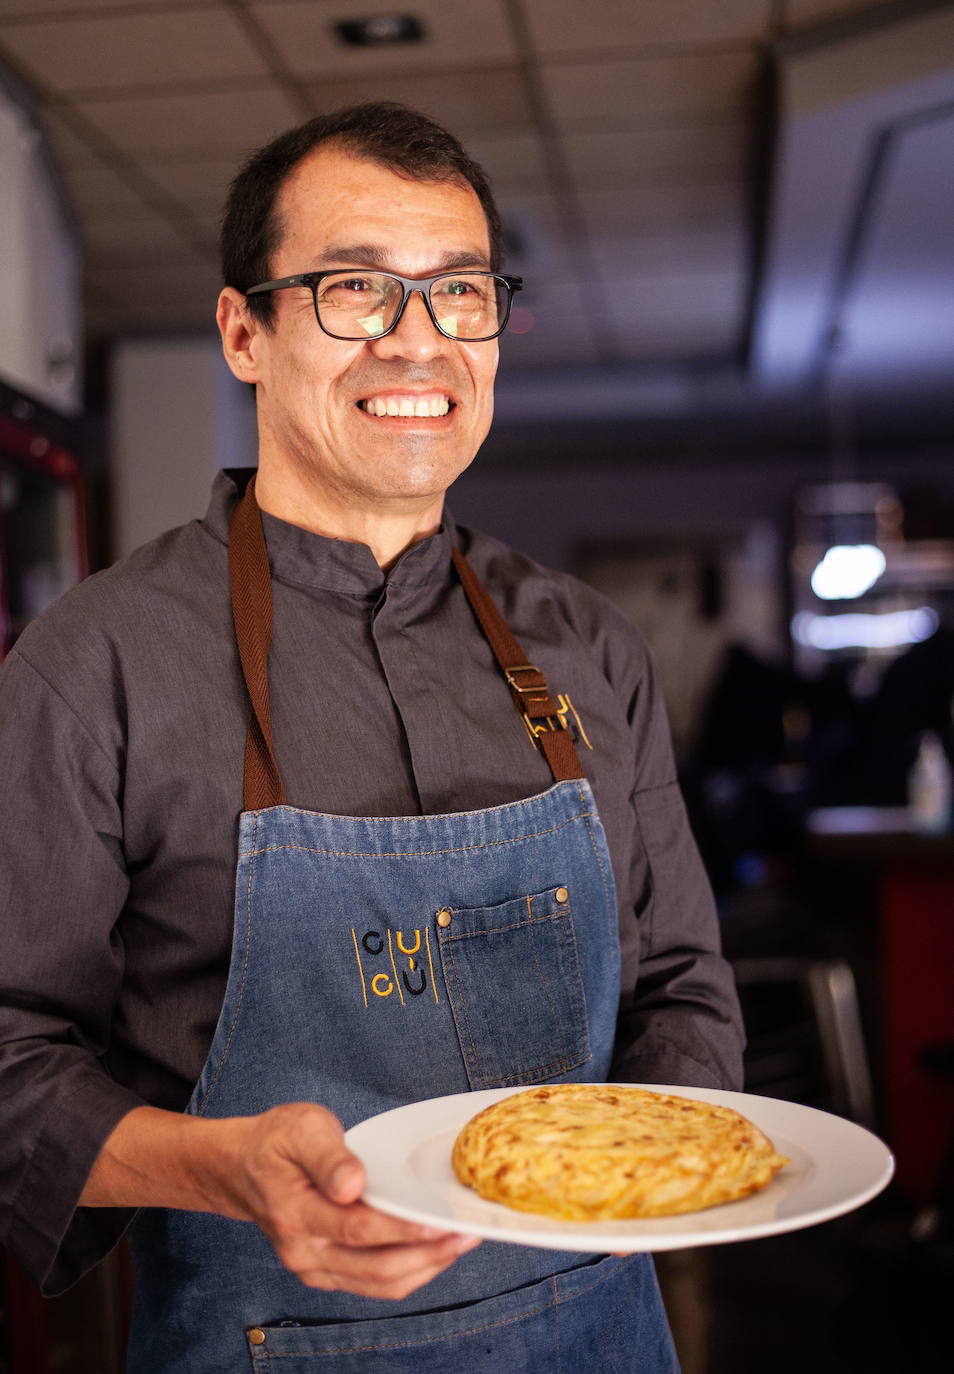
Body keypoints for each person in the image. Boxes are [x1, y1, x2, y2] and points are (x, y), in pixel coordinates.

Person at [0, 103, 743, 1371]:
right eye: (357, 290)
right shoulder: (94, 664)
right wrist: (213, 1168)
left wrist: (664, 1152)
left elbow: (682, 986)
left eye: (460, 292)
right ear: (247, 331)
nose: (421, 343)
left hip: (602, 1334)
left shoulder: (588, 647)